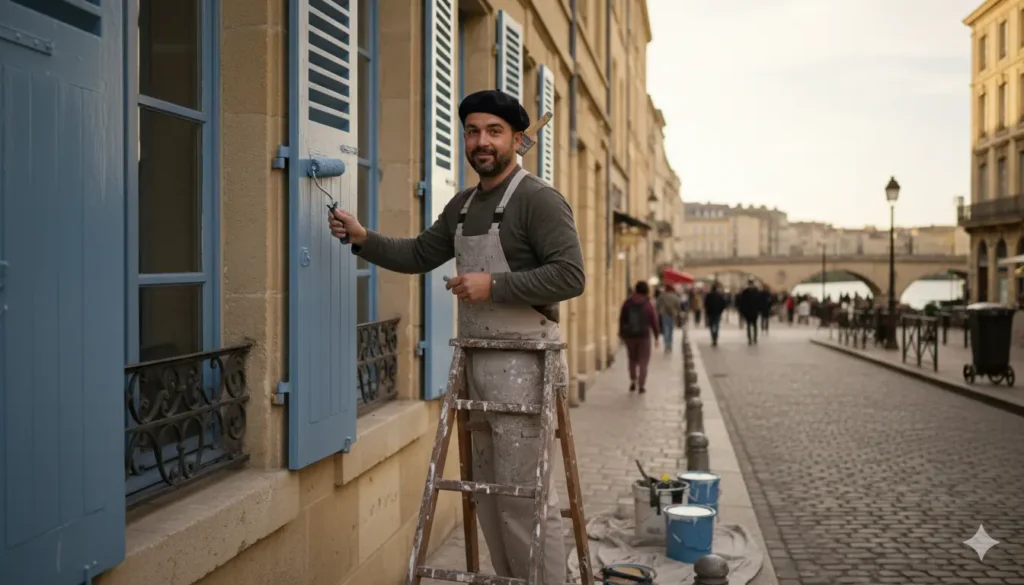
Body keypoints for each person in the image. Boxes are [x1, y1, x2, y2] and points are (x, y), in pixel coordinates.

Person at [328, 89, 584, 584]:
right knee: (489, 496)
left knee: (524, 499)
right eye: (472, 131)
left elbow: (571, 276)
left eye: (493, 131)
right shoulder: (463, 205)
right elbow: (420, 253)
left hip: (526, 367)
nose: (481, 141)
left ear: (515, 139)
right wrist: (362, 238)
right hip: (476, 365)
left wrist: (495, 285)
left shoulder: (539, 200)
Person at [619, 281, 660, 393]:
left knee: (632, 359)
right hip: (644, 336)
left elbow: (622, 319)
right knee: (643, 361)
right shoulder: (648, 304)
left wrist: (622, 334)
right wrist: (656, 336)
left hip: (630, 336)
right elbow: (654, 320)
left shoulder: (627, 303)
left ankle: (633, 380)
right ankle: (641, 385)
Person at [655, 284, 681, 353]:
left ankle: (666, 345)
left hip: (664, 314)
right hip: (672, 314)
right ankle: (670, 345)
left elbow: (657, 304)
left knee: (665, 329)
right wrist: (677, 311)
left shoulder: (662, 296)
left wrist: (658, 312)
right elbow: (678, 304)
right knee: (671, 330)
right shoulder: (675, 296)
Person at [737, 279, 762, 345]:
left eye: (751, 284)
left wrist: (759, 309)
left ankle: (755, 338)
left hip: (754, 311)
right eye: (750, 284)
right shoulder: (746, 292)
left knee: (754, 325)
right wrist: (742, 311)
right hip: (748, 312)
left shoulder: (756, 292)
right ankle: (750, 338)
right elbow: (742, 302)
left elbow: (759, 302)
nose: (750, 286)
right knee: (749, 325)